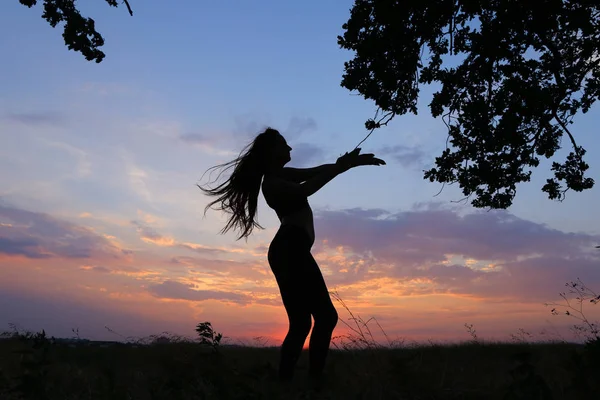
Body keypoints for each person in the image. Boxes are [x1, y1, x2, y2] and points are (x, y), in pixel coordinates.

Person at [198, 127, 385, 385]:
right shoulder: (273, 184)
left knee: (301, 324)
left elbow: (314, 172)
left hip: (290, 250)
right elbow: (305, 190)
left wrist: (346, 164)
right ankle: (313, 383)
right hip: (290, 248)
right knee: (325, 318)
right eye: (284, 145)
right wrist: (341, 167)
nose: (290, 149)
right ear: (272, 151)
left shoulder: (282, 175)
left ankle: (285, 384)